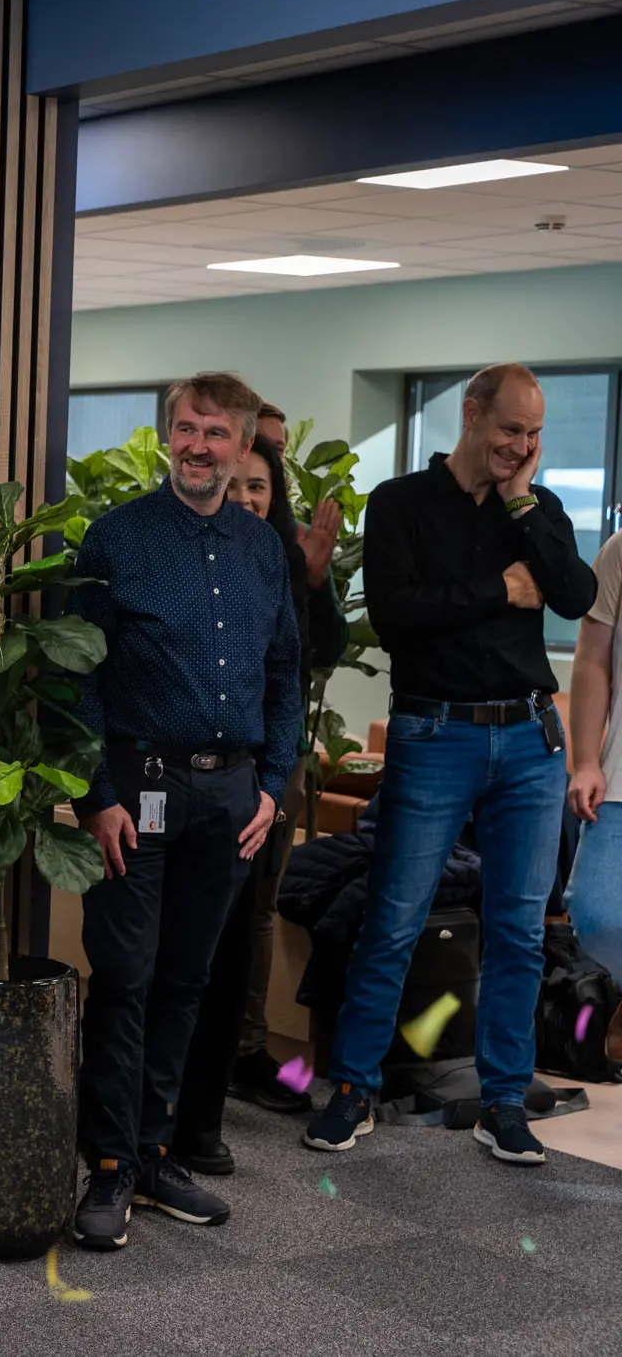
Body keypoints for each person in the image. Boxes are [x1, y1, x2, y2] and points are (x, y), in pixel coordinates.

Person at [306, 363, 596, 1165]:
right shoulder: (400, 503)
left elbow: (574, 595)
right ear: (471, 415)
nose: (522, 446)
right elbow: (398, 616)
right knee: (393, 920)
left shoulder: (536, 509)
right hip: (435, 735)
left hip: (530, 740)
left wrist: (523, 507)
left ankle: (503, 1102)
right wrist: (500, 590)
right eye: (510, 429)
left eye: (534, 434)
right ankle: (353, 1088)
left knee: (519, 932)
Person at [67, 371, 301, 1251]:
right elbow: (76, 672)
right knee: (126, 976)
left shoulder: (262, 547)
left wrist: (273, 784)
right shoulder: (117, 536)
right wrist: (95, 794)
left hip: (231, 795)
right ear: (170, 434)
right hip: (138, 788)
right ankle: (109, 1163)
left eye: (214, 433)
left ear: (243, 446)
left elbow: (285, 671)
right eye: (185, 428)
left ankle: (154, 1153)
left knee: (187, 981)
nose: (197, 446)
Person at [172, 432, 345, 1177]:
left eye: (259, 488)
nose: (245, 498)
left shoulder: (283, 560)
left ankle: (236, 1059)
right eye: (236, 483)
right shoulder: (190, 552)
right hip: (190, 774)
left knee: (253, 915)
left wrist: (316, 578)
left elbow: (316, 653)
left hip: (268, 770)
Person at [564, 531, 622, 1061]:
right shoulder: (620, 550)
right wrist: (586, 761)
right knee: (595, 914)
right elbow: (592, 660)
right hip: (620, 777)